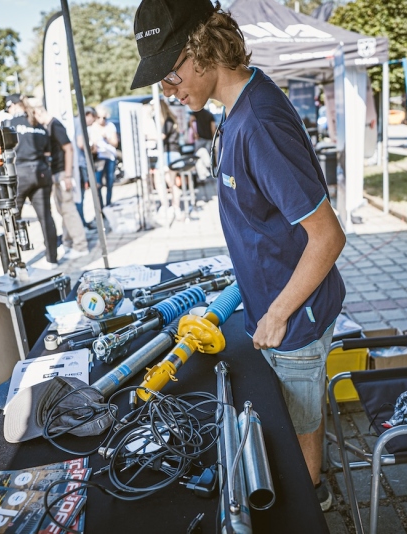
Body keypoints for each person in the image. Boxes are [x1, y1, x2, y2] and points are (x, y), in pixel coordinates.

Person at [131, 0, 346, 511]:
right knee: (292, 424)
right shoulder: (234, 110)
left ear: (200, 50)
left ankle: (312, 502)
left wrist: (275, 314)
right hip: (273, 303)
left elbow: (329, 237)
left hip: (294, 318)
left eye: (170, 74)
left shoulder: (259, 124)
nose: (168, 90)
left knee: (298, 444)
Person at [5, 94, 59, 268]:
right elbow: (47, 152)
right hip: (41, 172)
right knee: (46, 217)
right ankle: (52, 259)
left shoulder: (8, 124)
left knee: (12, 219)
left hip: (19, 174)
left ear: (13, 106)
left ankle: (13, 263)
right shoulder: (38, 125)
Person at [32, 103, 89, 259]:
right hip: (57, 173)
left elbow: (68, 148)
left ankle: (80, 245)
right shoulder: (50, 125)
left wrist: (68, 175)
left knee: (68, 209)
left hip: (62, 173)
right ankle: (69, 242)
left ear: (38, 112)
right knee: (62, 209)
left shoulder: (55, 125)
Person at [92, 105, 118, 206]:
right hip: (99, 157)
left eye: (104, 117)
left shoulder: (110, 126)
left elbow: (115, 143)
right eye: (99, 117)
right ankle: (101, 207)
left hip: (110, 156)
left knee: (110, 181)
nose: (101, 120)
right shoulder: (93, 127)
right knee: (98, 183)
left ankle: (108, 204)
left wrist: (107, 137)